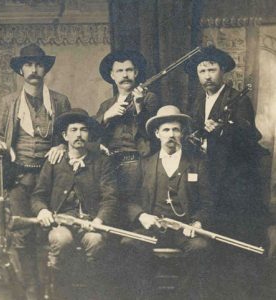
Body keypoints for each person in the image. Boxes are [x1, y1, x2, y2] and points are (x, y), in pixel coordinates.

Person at [185, 45, 269, 299]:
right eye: (202, 70)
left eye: (212, 69)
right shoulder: (198, 99)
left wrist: (221, 130)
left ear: (223, 72)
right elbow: (195, 131)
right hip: (209, 175)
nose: (207, 75)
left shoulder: (238, 98)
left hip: (234, 181)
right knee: (213, 237)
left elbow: (250, 137)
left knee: (234, 236)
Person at [0, 43, 71, 300]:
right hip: (20, 178)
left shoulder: (59, 101)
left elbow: (72, 133)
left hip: (50, 178)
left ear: (45, 68)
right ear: (21, 70)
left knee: (47, 232)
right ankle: (31, 290)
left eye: (38, 64)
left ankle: (52, 288)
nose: (34, 70)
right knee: (23, 234)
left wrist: (60, 144)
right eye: (28, 65)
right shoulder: (9, 102)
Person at [122, 105, 213, 299]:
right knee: (129, 242)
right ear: (157, 133)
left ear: (182, 133)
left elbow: (208, 203)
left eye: (175, 129)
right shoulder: (145, 163)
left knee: (200, 247)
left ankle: (182, 296)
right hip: (152, 228)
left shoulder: (197, 163)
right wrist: (141, 215)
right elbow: (129, 199)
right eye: (166, 130)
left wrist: (197, 222)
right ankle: (146, 295)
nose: (171, 134)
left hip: (184, 230)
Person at [31, 108, 119, 299]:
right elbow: (38, 195)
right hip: (61, 223)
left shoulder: (102, 162)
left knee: (95, 241)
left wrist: (100, 220)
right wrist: (43, 211)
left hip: (91, 223)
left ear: (89, 134)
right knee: (61, 240)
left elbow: (109, 197)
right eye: (73, 130)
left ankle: (90, 294)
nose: (79, 134)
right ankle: (59, 294)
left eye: (83, 130)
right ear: (65, 135)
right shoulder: (54, 161)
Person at [96, 50, 159, 215]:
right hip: (110, 165)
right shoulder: (106, 105)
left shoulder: (149, 98)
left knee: (134, 207)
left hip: (138, 163)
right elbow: (92, 133)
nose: (125, 75)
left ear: (136, 73)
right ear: (112, 75)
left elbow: (152, 133)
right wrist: (107, 115)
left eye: (129, 70)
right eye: (119, 71)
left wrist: (139, 106)